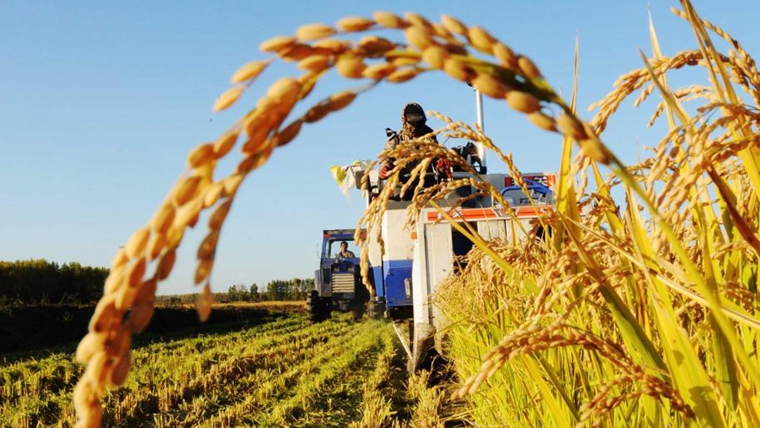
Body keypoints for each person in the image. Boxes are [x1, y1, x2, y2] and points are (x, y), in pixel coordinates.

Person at [379, 102, 439, 180]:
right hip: (401, 183)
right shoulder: (397, 139)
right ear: (405, 119)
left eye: (418, 117)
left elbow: (437, 155)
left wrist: (441, 165)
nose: (416, 120)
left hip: (426, 182)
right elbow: (386, 156)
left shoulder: (429, 137)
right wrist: (385, 167)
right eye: (413, 117)